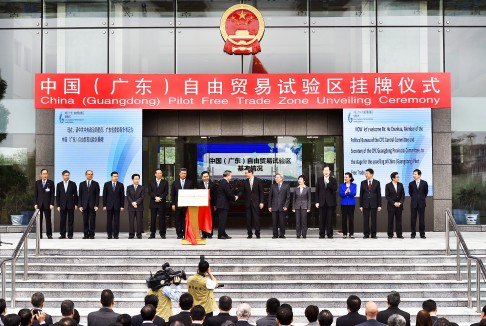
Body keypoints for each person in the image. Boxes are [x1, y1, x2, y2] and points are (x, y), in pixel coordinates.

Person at [238, 167, 264, 239]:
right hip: (248, 203)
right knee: (248, 219)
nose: (245, 174)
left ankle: (257, 233)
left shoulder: (258, 181)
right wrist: (237, 196)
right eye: (245, 173)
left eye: (246, 173)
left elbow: (261, 192)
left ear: (251, 172)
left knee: (256, 218)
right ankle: (249, 233)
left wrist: (261, 202)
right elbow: (241, 191)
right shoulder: (245, 181)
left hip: (256, 203)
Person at [315, 165, 338, 239]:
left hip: (330, 203)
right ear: (323, 172)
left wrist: (328, 182)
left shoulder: (333, 180)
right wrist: (317, 202)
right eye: (325, 171)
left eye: (327, 171)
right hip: (322, 202)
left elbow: (334, 189)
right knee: (322, 219)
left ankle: (330, 234)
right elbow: (317, 191)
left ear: (330, 172)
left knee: (329, 219)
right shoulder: (319, 180)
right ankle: (321, 234)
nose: (326, 172)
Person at [172, 168, 194, 239]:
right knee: (178, 220)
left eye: (185, 173)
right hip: (177, 204)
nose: (184, 175)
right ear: (179, 174)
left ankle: (186, 233)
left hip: (186, 204)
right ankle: (179, 234)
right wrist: (173, 204)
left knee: (186, 219)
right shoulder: (175, 182)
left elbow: (192, 194)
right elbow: (173, 194)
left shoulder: (190, 182)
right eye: (182, 173)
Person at [359, 168, 382, 239]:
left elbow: (379, 194)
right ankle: (366, 234)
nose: (366, 175)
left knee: (373, 220)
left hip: (374, 204)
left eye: (367, 173)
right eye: (365, 173)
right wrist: (361, 205)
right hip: (365, 204)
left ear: (371, 174)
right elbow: (361, 194)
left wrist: (379, 205)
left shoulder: (377, 182)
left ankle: (373, 234)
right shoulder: (363, 183)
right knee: (365, 220)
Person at [56, 170, 78, 239]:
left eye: (68, 175)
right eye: (66, 175)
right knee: (62, 220)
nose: (67, 176)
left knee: (71, 220)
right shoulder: (59, 184)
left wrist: (76, 204)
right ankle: (62, 234)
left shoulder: (73, 184)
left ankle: (70, 235)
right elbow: (58, 196)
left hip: (71, 205)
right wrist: (58, 205)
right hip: (62, 205)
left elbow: (76, 195)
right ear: (63, 176)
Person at [102, 171, 125, 239]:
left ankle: (116, 234)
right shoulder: (107, 184)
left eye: (117, 176)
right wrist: (104, 205)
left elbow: (122, 196)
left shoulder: (121, 185)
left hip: (117, 206)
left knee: (116, 221)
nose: (116, 177)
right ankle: (109, 234)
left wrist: (122, 206)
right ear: (111, 177)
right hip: (109, 205)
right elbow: (104, 195)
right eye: (114, 176)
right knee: (109, 221)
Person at [216, 170, 238, 239]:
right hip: (223, 204)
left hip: (223, 204)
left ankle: (223, 233)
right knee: (222, 220)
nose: (232, 177)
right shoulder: (225, 183)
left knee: (223, 220)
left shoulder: (223, 182)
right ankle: (220, 235)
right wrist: (234, 197)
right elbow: (228, 193)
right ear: (227, 176)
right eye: (231, 176)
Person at [78, 170, 100, 239]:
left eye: (91, 174)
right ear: (86, 175)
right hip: (84, 205)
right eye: (88, 174)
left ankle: (92, 234)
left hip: (92, 205)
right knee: (85, 221)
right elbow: (80, 195)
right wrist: (80, 205)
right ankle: (86, 234)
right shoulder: (81, 184)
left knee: (92, 220)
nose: (90, 175)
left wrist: (96, 205)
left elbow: (97, 195)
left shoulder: (96, 184)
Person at [34, 169, 55, 239]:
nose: (45, 175)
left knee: (48, 220)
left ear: (47, 174)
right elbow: (35, 194)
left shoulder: (51, 183)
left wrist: (52, 203)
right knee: (39, 220)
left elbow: (52, 194)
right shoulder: (37, 183)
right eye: (43, 173)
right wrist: (35, 203)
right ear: (41, 174)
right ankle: (39, 234)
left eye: (46, 173)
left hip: (47, 204)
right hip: (39, 204)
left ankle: (49, 234)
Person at [197, 171, 218, 239]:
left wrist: (215, 205)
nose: (206, 178)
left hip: (210, 205)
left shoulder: (213, 184)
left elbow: (215, 196)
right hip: (202, 205)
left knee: (210, 219)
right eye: (204, 177)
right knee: (203, 219)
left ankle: (210, 233)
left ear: (209, 176)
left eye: (207, 176)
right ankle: (204, 233)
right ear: (202, 177)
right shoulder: (199, 184)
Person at [268, 174, 290, 239]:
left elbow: (288, 197)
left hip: (282, 207)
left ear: (281, 178)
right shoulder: (273, 186)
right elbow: (270, 197)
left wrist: (286, 206)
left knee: (282, 221)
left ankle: (282, 234)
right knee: (274, 221)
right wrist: (269, 206)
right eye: (275, 178)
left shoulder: (286, 186)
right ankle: (275, 234)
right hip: (274, 206)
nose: (276, 179)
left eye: (277, 177)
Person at [409, 169, 428, 239]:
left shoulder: (424, 183)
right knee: (413, 219)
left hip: (421, 203)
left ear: (419, 175)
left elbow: (425, 193)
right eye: (413, 174)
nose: (414, 175)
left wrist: (420, 198)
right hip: (413, 203)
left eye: (415, 174)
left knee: (421, 219)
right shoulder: (411, 184)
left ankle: (422, 234)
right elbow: (410, 193)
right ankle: (413, 234)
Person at [149, 169, 169, 239]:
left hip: (161, 203)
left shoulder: (165, 182)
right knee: (153, 219)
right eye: (157, 173)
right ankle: (152, 233)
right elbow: (150, 192)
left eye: (160, 173)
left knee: (162, 219)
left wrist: (160, 198)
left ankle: (162, 233)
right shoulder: (151, 182)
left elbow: (166, 192)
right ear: (155, 174)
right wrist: (155, 197)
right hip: (153, 202)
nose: (159, 174)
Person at [385, 172, 405, 239]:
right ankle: (390, 234)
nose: (398, 178)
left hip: (399, 206)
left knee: (399, 221)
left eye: (398, 177)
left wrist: (400, 202)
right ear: (393, 178)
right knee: (390, 220)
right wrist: (394, 203)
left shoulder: (401, 185)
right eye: (397, 177)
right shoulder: (388, 185)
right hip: (391, 206)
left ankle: (399, 234)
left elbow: (403, 195)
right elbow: (387, 196)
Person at [126, 173, 144, 239]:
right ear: (132, 179)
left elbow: (142, 197)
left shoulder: (141, 187)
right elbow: (128, 196)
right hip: (131, 207)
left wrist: (136, 203)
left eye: (138, 179)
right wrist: (132, 203)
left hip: (139, 207)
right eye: (135, 179)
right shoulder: (129, 187)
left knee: (139, 221)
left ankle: (139, 235)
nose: (137, 180)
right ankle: (131, 234)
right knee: (131, 221)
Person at [339, 172, 357, 239]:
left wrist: (349, 192)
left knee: (351, 219)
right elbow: (341, 194)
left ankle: (351, 234)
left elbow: (354, 193)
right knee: (344, 219)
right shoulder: (342, 185)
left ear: (350, 178)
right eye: (345, 177)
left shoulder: (354, 185)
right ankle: (344, 234)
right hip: (344, 204)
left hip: (351, 204)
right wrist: (345, 192)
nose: (345, 178)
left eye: (346, 177)